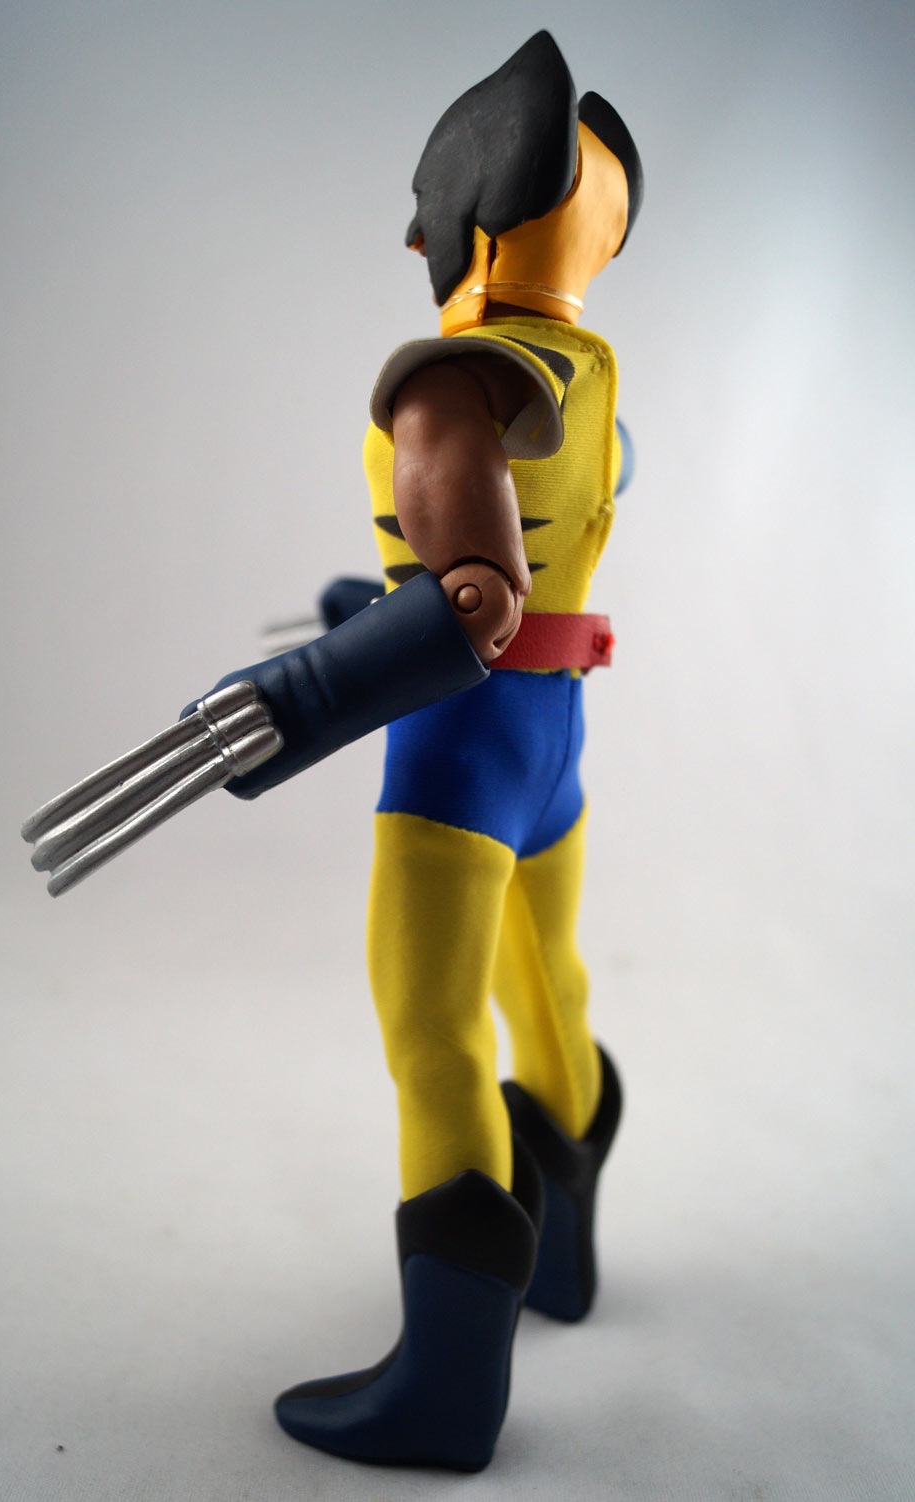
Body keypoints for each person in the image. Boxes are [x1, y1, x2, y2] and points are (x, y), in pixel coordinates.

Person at [274, 30, 643, 1470]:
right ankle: (565, 1252)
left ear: (479, 215)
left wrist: (318, 689)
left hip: (454, 752)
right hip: (552, 735)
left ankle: (447, 1381)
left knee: (431, 1032)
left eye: (430, 206)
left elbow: (477, 596)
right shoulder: (586, 371)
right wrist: (366, 607)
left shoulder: (448, 382)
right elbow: (535, 560)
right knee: (545, 979)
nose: (413, 237)